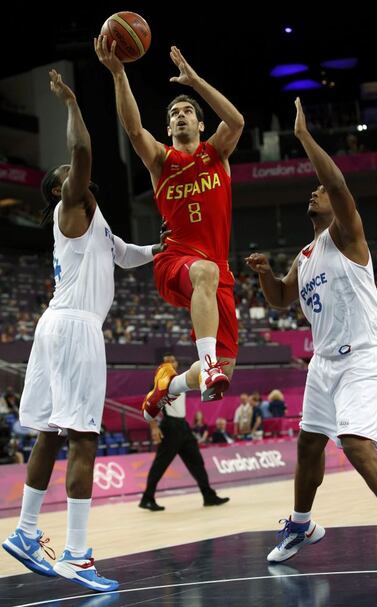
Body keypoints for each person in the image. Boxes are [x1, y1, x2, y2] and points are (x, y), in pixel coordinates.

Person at [2, 70, 168, 592]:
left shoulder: (98, 225)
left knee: (50, 433)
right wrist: (73, 104)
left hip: (56, 326)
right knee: (84, 440)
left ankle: (27, 531)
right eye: (72, 176)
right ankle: (76, 555)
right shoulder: (69, 207)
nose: (81, 179)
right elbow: (83, 153)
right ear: (61, 189)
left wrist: (160, 251)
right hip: (74, 328)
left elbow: (128, 256)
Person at [246, 97, 377, 575]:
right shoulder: (305, 255)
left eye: (320, 190)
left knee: (356, 444)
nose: (316, 192)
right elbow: (280, 299)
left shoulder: (346, 233)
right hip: (324, 363)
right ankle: (301, 525)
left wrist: (303, 138)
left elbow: (338, 182)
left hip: (363, 353)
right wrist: (264, 274)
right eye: (313, 191)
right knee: (308, 444)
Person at [95, 39, 244, 420]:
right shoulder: (162, 161)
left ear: (199, 123)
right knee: (204, 273)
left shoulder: (217, 154)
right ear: (168, 126)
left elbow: (237, 121)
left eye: (187, 112)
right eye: (174, 112)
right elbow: (132, 129)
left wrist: (194, 83)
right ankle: (207, 363)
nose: (180, 115)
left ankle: (168, 386)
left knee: (225, 370)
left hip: (216, 272)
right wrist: (118, 73)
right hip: (175, 259)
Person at [139, 353, 229, 511]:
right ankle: (147, 498)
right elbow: (149, 406)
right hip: (170, 426)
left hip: (183, 426)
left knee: (197, 462)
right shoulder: (159, 383)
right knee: (160, 464)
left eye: (173, 359)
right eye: (167, 360)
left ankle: (208, 495)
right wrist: (154, 428)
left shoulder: (181, 380)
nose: (171, 362)